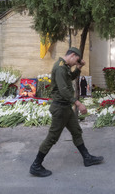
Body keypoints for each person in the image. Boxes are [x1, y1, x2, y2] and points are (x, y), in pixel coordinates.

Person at [29, 47, 104, 177]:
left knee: (76, 131)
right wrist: (78, 103)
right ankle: (36, 165)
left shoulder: (64, 67)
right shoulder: (59, 67)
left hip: (65, 108)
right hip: (60, 108)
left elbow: (69, 78)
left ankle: (87, 158)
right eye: (76, 61)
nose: (76, 63)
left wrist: (79, 68)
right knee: (52, 137)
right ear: (72, 55)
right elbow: (64, 90)